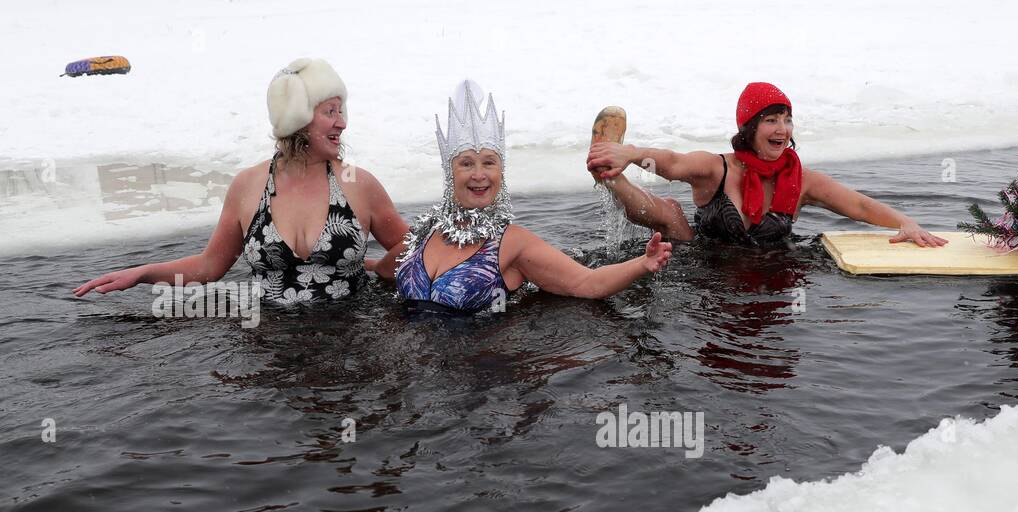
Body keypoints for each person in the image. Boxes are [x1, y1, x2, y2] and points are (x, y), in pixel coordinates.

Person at [75, 58, 409, 305]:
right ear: (298, 117)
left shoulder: (357, 184)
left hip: (349, 339)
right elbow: (210, 266)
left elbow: (413, 247)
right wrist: (143, 273)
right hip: (271, 347)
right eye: (330, 112)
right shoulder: (248, 186)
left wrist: (381, 267)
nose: (342, 124)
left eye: (341, 111)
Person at [372, 80, 671, 312]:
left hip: (477, 383)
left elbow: (585, 283)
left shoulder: (512, 242)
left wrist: (640, 264)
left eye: (489, 162)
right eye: (466, 164)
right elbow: (383, 270)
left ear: (501, 172)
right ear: (450, 173)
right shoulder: (425, 232)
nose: (479, 174)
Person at [586, 81, 948, 249]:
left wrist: (906, 223)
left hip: (769, 278)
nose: (782, 130)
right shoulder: (718, 168)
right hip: (700, 262)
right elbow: (673, 163)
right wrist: (631, 154)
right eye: (772, 120)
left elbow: (858, 205)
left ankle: (611, 171)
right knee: (668, 214)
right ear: (751, 128)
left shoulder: (801, 181)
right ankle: (611, 173)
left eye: (787, 120)